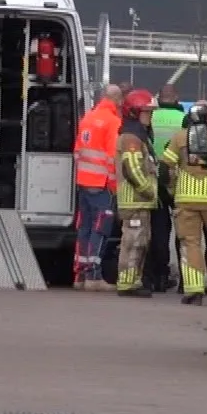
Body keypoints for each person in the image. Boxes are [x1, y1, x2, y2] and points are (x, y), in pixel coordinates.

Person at [163, 99, 207, 305]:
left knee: (190, 244)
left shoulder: (180, 137)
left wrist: (172, 189)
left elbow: (166, 167)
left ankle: (194, 289)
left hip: (186, 199)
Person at [73, 83, 123, 291]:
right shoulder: (113, 122)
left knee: (84, 228)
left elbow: (77, 152)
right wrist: (114, 185)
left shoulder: (88, 117)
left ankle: (81, 275)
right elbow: (113, 157)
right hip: (102, 184)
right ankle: (94, 275)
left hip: (83, 182)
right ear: (118, 100)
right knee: (100, 228)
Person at [114, 89, 159, 297]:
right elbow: (131, 168)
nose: (150, 117)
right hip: (135, 200)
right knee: (133, 241)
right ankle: (127, 282)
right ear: (134, 112)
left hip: (140, 202)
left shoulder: (138, 135)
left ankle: (134, 280)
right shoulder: (131, 137)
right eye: (147, 112)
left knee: (141, 242)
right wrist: (148, 190)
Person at [144, 86, 187, 293]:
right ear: (176, 97)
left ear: (159, 98)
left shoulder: (152, 117)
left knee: (159, 230)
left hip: (155, 177)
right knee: (183, 232)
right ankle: (184, 281)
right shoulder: (183, 119)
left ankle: (159, 277)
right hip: (177, 179)